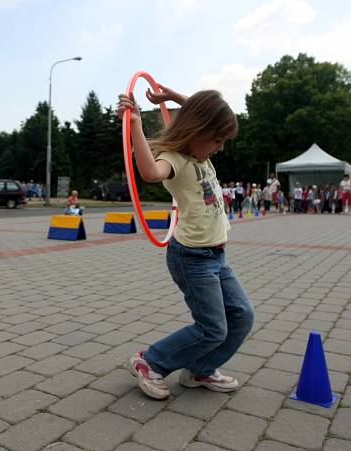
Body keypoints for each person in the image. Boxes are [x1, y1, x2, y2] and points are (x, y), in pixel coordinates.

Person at [117, 84, 254, 400]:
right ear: (198, 131)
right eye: (217, 140)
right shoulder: (175, 158)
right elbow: (151, 173)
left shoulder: (201, 153)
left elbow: (203, 110)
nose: (220, 147)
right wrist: (135, 123)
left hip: (217, 255)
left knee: (243, 315)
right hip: (192, 258)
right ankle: (149, 362)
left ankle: (200, 369)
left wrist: (172, 97)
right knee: (212, 328)